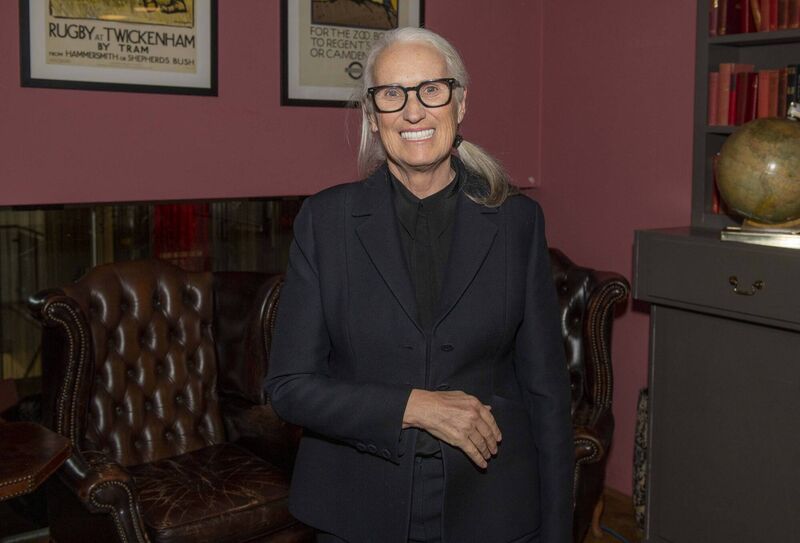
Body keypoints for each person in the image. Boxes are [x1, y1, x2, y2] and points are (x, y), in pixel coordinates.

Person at [265, 27, 573, 543]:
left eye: (432, 89)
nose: (414, 111)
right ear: (371, 115)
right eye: (392, 94)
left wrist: (557, 530)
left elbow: (546, 392)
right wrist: (413, 406)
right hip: (360, 506)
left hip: (494, 506)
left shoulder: (518, 222)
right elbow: (289, 389)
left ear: (460, 102)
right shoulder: (325, 222)